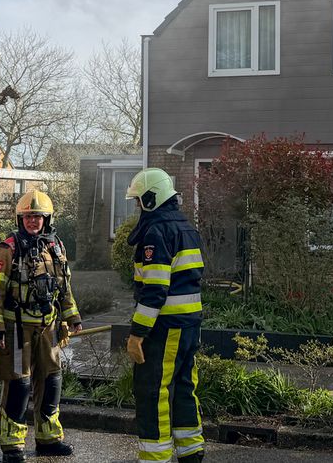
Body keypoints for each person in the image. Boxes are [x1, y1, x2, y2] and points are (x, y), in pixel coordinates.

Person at [0, 190, 83, 462]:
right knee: (19, 385)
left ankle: (48, 439)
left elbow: (64, 286)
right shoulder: (8, 248)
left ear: (46, 219)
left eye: (37, 217)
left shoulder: (56, 246)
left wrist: (72, 316)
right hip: (17, 330)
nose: (32, 221)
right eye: (28, 217)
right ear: (20, 219)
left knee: (52, 381)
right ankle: (12, 446)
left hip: (49, 328)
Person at [124, 168, 205, 463]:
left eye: (138, 200)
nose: (137, 206)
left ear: (150, 199)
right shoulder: (186, 227)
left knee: (152, 390)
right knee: (184, 386)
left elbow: (155, 290)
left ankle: (154, 457)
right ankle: (191, 451)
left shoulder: (156, 232)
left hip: (165, 326)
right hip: (189, 325)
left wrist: (137, 333)